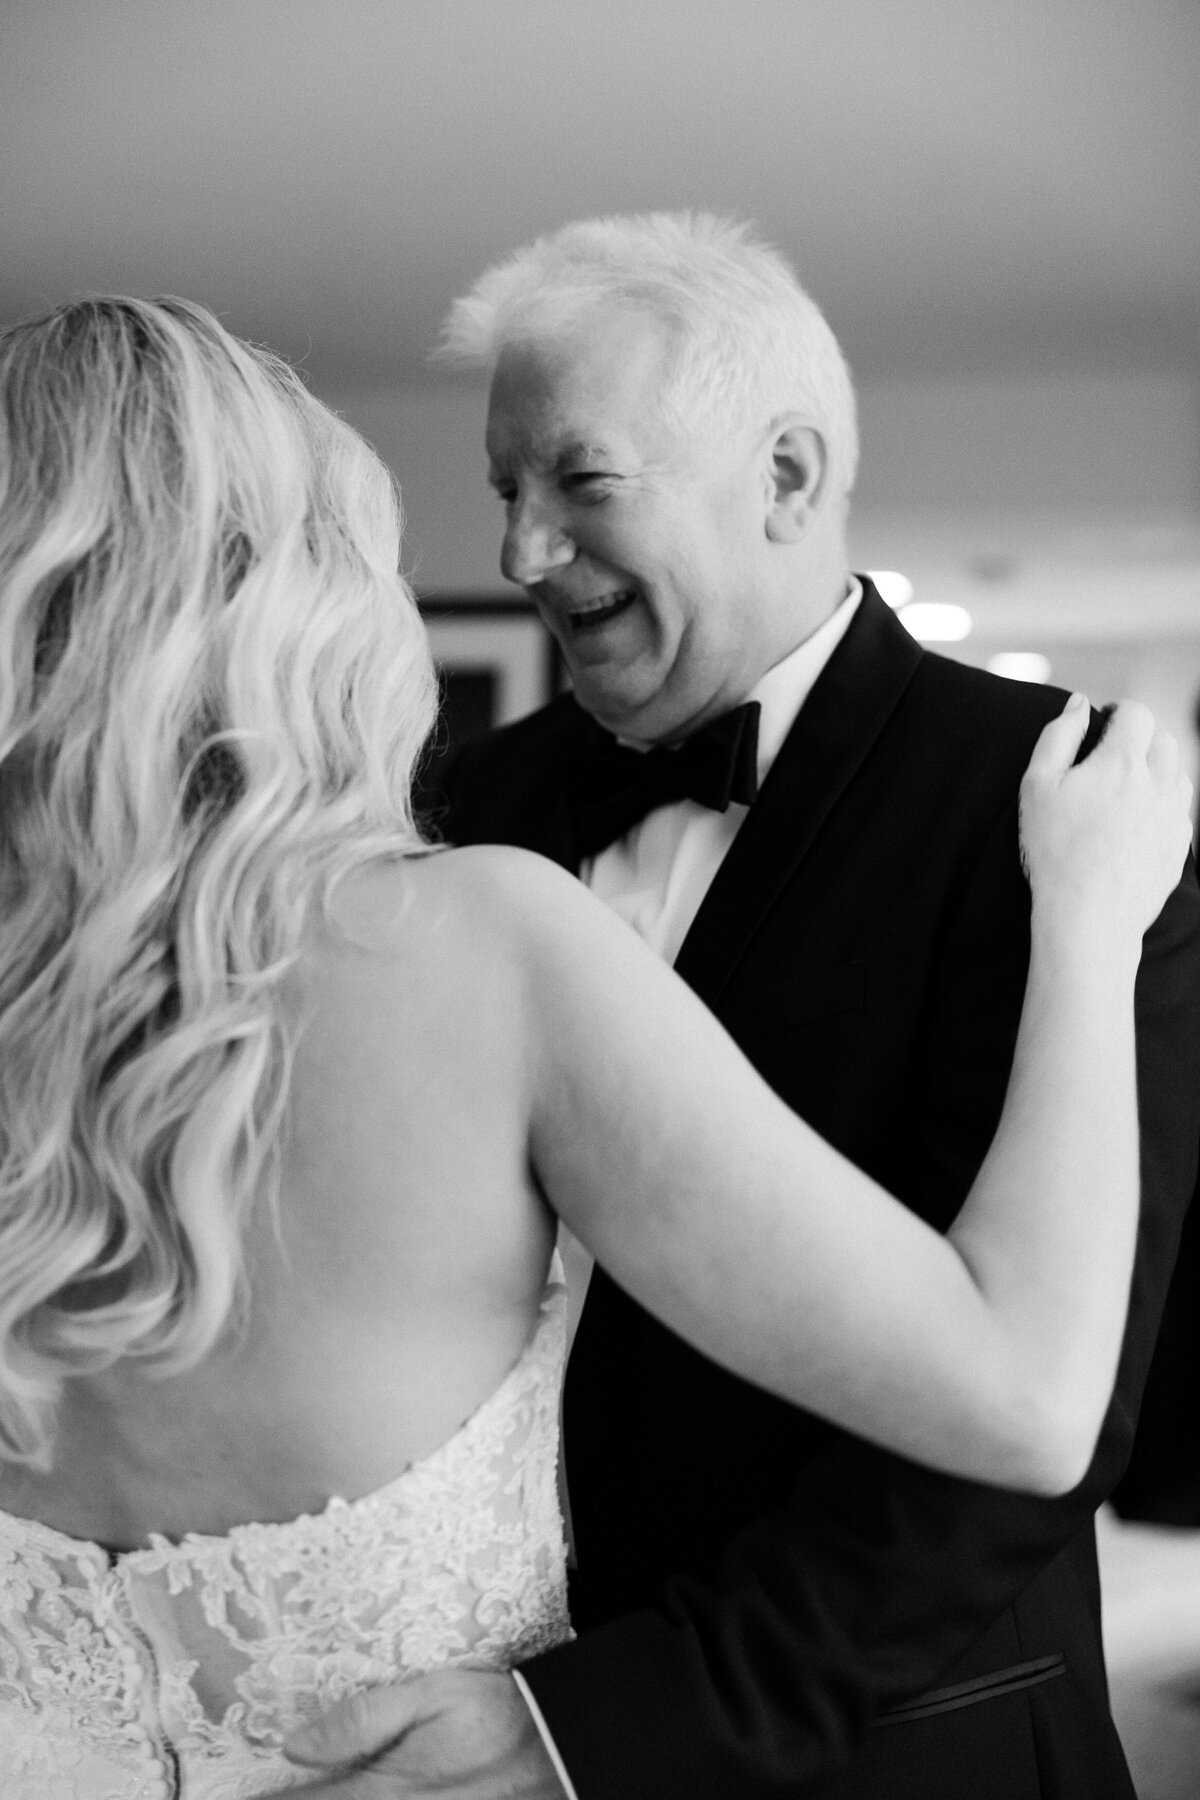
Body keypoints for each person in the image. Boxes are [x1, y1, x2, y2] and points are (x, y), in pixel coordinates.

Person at [0, 298, 1187, 1800]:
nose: (517, 555)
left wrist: (610, 1724)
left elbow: (1063, 1427)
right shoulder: (470, 868)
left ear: (789, 478)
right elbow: (1022, 1382)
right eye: (500, 493)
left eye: (581, 479)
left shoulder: (1043, 797)